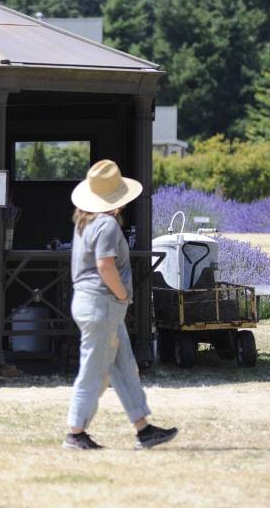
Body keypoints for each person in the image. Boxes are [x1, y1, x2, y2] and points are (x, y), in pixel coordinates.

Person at [64, 159, 177, 451]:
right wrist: (123, 295)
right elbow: (105, 266)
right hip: (103, 304)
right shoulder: (107, 225)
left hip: (94, 304)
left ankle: (144, 428)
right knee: (93, 370)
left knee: (124, 365)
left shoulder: (84, 223)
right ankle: (75, 432)